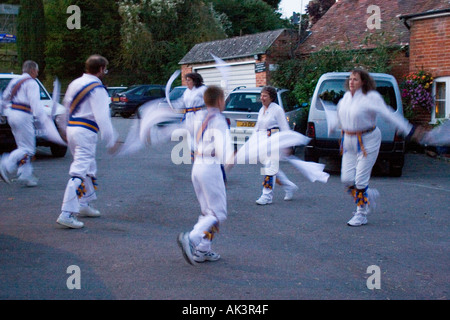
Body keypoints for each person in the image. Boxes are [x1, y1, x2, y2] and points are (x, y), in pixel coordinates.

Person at [335, 69, 424, 226]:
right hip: (348, 141)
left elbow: (389, 114)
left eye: (355, 79)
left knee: (360, 181)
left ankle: (361, 213)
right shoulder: (345, 98)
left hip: (368, 140)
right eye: (350, 79)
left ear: (363, 82)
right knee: (347, 180)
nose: (351, 82)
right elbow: (339, 117)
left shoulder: (371, 97)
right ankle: (368, 196)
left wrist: (409, 130)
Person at [56, 55, 119, 229]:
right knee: (80, 169)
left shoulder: (75, 83)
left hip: (72, 128)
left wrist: (62, 128)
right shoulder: (97, 89)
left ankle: (83, 204)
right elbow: (102, 118)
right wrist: (111, 140)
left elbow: (65, 108)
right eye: (105, 69)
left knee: (89, 166)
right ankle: (67, 213)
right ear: (100, 69)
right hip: (86, 131)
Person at [177, 85, 234, 265]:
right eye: (224, 99)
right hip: (210, 166)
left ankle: (203, 250)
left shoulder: (199, 116)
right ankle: (192, 238)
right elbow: (225, 151)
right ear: (219, 101)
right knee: (218, 213)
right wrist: (230, 160)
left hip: (197, 166)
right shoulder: (218, 120)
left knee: (207, 212)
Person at [0, 60, 44, 187]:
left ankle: (26, 175)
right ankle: (6, 164)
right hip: (24, 115)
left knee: (22, 146)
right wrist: (42, 119)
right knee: (28, 149)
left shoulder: (15, 81)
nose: (37, 73)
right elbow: (35, 103)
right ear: (32, 70)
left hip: (12, 114)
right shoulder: (32, 83)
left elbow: (4, 98)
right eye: (36, 71)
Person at [254, 86, 299, 205]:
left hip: (275, 141)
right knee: (273, 168)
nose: (262, 98)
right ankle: (289, 186)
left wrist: (288, 145)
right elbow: (258, 127)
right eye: (261, 95)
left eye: (265, 96)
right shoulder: (261, 110)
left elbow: (284, 127)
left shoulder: (277, 110)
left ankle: (267, 195)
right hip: (264, 142)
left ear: (272, 97)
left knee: (270, 168)